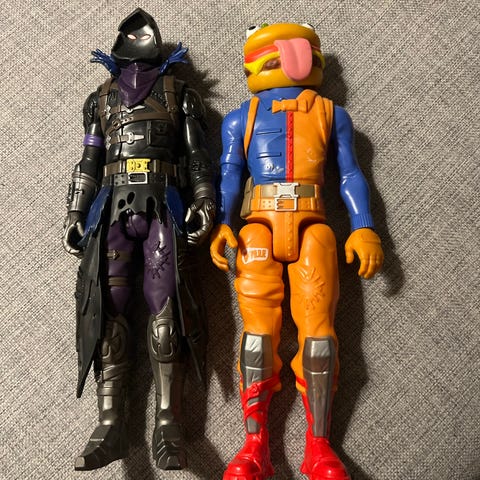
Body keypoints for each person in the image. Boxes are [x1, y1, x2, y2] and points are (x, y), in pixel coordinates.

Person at [210, 23, 384, 480]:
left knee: (320, 338)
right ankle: (254, 446)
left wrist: (363, 227)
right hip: (258, 228)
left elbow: (350, 174)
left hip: (313, 226)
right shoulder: (240, 118)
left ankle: (319, 448)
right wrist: (223, 223)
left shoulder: (331, 113)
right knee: (256, 338)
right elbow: (229, 175)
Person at [62, 8, 215, 471]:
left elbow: (196, 153)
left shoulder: (180, 94)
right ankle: (110, 422)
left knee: (167, 308)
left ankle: (168, 420)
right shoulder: (100, 99)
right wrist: (75, 212)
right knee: (106, 306)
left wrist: (204, 198)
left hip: (163, 204)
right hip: (110, 206)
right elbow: (89, 160)